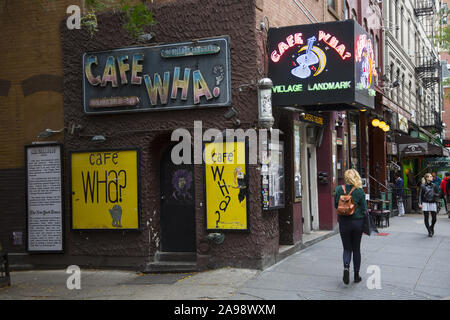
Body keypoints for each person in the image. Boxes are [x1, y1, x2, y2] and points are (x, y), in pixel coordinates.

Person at [334, 169, 368, 285]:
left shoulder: (338, 189)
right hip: (357, 222)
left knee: (347, 248)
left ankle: (346, 267)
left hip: (344, 222)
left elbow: (335, 205)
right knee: (356, 249)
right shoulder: (359, 191)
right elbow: (364, 208)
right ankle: (357, 275)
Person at [418, 173, 441, 237]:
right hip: (425, 202)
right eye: (430, 176)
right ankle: (429, 231)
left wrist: (435, 194)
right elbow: (420, 195)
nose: (432, 177)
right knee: (426, 217)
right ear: (427, 178)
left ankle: (432, 227)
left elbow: (438, 194)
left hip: (433, 202)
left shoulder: (434, 185)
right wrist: (420, 203)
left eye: (431, 176)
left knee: (434, 218)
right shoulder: (422, 186)